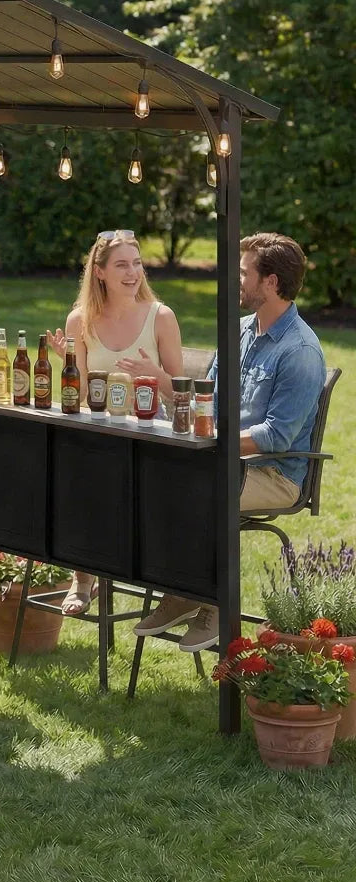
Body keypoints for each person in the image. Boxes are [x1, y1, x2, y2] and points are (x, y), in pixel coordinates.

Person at [133, 232, 326, 651]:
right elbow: (211, 404)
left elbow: (276, 436)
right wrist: (164, 388)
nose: (234, 280)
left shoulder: (300, 352)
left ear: (271, 283)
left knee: (195, 489)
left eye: (243, 273)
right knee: (149, 479)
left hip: (274, 473)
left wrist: (213, 444)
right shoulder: (238, 332)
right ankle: (183, 591)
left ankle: (211, 603)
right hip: (223, 461)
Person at [45, 230, 185, 615]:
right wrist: (69, 364)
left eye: (137, 263)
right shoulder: (80, 321)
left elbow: (183, 394)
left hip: (151, 435)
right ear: (100, 272)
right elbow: (84, 396)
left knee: (94, 477)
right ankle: (83, 578)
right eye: (122, 264)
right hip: (101, 431)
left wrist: (152, 373)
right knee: (69, 468)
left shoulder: (161, 317)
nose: (133, 272)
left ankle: (108, 571)